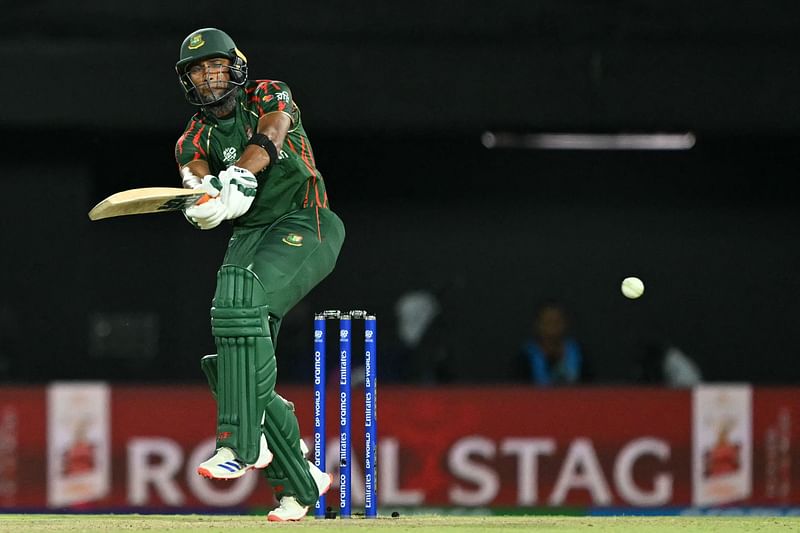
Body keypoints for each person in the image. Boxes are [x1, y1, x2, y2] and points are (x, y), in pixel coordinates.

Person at [173, 28, 345, 521]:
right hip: (249, 235)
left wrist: (244, 174)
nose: (208, 77)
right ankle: (301, 480)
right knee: (231, 340)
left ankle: (238, 445)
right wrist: (203, 198)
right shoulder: (192, 136)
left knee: (241, 303)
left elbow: (273, 129)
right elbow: (193, 171)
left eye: (215, 66)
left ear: (235, 66)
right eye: (197, 71)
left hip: (305, 219)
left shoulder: (267, 92)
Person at [515, 300, 593, 385]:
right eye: (547, 323)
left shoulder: (579, 354)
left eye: (557, 322)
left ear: (565, 323)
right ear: (537, 325)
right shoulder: (524, 358)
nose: (552, 330)